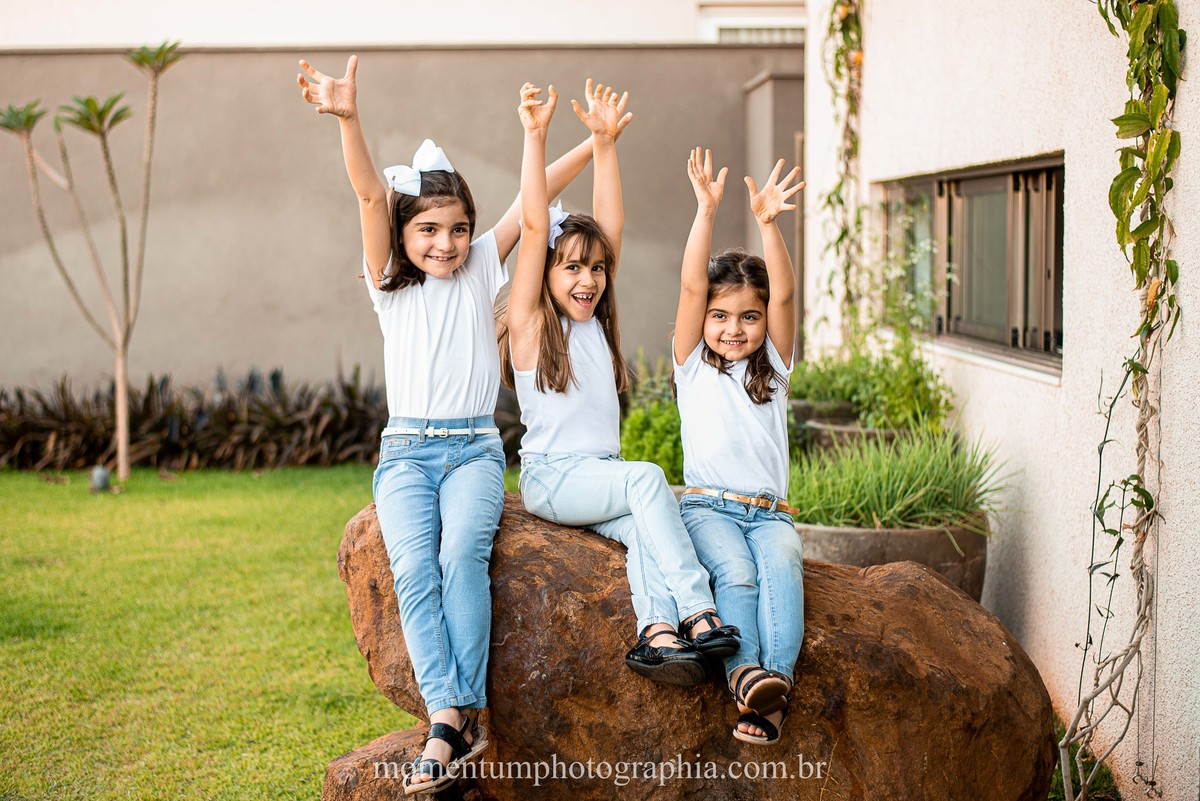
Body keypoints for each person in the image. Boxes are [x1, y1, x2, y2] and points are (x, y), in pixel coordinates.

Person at [296, 56, 618, 795]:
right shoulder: (387, 283)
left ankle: (457, 717)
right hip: (406, 451)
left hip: (474, 448)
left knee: (460, 558)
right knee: (413, 567)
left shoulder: (479, 266)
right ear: (406, 235)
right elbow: (371, 193)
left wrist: (591, 144)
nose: (445, 242)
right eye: (430, 230)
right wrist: (349, 118)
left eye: (458, 228)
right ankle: (450, 712)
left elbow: (538, 201)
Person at [500, 80, 738, 688]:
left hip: (597, 478)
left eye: (597, 268)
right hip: (553, 478)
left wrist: (606, 145)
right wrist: (535, 135)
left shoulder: (596, 326)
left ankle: (657, 634)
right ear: (547, 273)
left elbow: (610, 225)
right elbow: (532, 225)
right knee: (648, 477)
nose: (589, 280)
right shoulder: (532, 325)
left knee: (644, 534)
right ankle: (698, 609)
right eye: (572, 267)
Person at [673, 148, 806, 744]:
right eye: (721, 316)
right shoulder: (691, 365)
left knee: (781, 568)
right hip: (706, 507)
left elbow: (782, 296)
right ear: (704, 317)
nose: (733, 329)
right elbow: (691, 281)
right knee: (734, 575)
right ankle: (744, 675)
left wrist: (769, 225)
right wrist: (705, 210)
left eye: (747, 318)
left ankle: (773, 693)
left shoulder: (773, 366)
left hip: (769, 513)